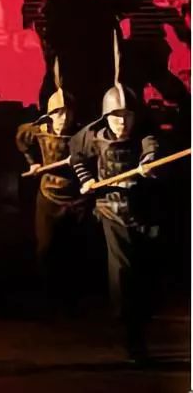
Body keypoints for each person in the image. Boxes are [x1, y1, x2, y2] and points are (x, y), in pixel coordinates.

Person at [69, 83, 160, 363]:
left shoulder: (143, 136)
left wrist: (149, 163)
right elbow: (76, 158)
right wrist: (87, 180)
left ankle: (140, 323)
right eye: (116, 117)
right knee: (122, 271)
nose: (122, 123)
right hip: (110, 212)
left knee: (146, 272)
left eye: (127, 116)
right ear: (106, 117)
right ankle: (132, 335)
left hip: (142, 213)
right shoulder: (91, 137)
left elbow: (152, 149)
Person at [15, 67, 88, 313]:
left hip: (76, 198)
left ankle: (73, 300)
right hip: (48, 196)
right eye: (58, 113)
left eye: (67, 113)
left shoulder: (81, 134)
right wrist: (32, 163)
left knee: (74, 250)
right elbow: (21, 138)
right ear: (49, 114)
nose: (63, 118)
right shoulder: (37, 131)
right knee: (46, 248)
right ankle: (48, 298)